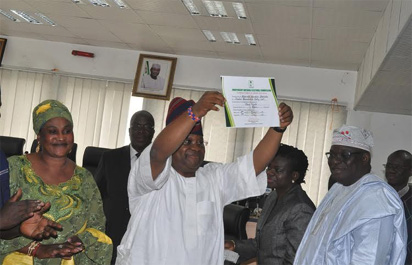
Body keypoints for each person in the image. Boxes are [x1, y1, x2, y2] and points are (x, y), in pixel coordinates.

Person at [116, 91, 293, 265]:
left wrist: (278, 128)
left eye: (200, 142)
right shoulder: (150, 175)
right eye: (187, 141)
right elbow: (158, 152)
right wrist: (194, 113)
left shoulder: (213, 178)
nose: (196, 148)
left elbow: (254, 164)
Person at [0, 99, 112, 264]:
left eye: (67, 131)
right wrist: (37, 249)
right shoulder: (14, 168)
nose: (61, 137)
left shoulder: (85, 178)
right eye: (53, 131)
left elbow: (97, 226)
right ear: (39, 136)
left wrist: (80, 241)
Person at [294, 125, 407, 265]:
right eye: (332, 155)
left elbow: (370, 259)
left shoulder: (377, 199)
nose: (334, 161)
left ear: (365, 158)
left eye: (344, 155)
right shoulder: (338, 189)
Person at [224, 144, 315, 264]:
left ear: (294, 175)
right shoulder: (273, 196)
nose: (270, 173)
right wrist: (234, 245)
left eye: (277, 170)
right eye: (269, 167)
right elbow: (261, 245)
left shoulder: (300, 209)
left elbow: (295, 260)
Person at [95, 110, 155, 264]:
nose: (141, 131)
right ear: (129, 131)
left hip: (146, 235)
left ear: (153, 133)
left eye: (147, 127)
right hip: (112, 232)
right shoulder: (110, 158)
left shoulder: (161, 163)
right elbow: (95, 196)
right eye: (137, 126)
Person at [385, 150, 412, 265]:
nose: (391, 170)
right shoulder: (377, 196)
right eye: (389, 166)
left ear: (410, 171)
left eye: (397, 167)